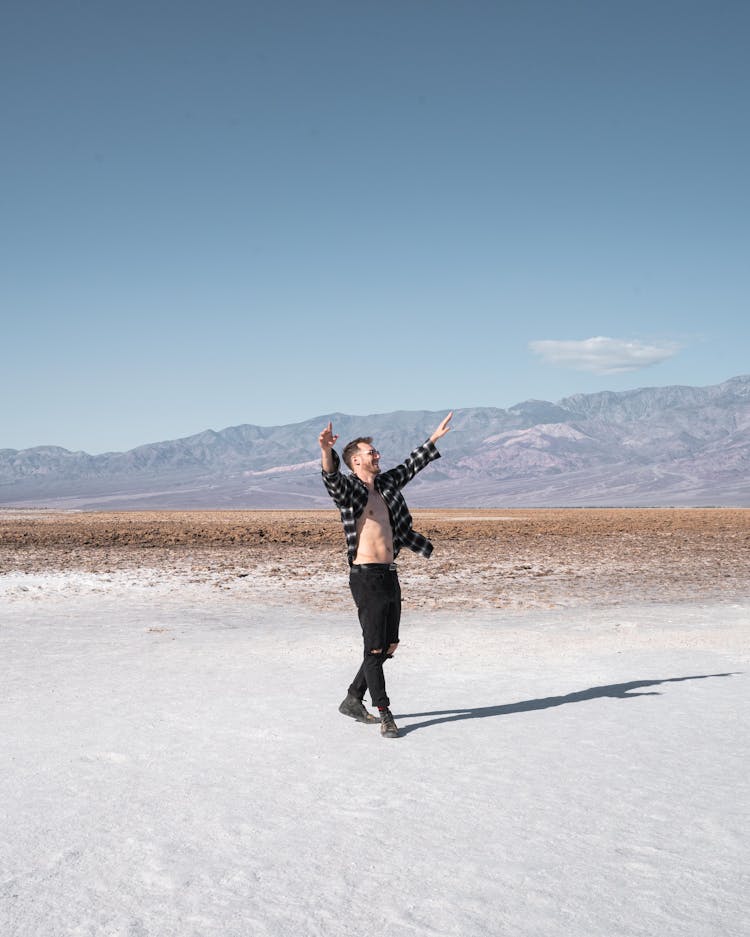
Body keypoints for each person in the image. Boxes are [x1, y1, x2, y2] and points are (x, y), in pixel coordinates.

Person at [319, 412, 453, 738]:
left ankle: (353, 698)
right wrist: (325, 451)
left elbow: (410, 466)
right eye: (370, 452)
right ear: (355, 461)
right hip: (366, 577)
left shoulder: (386, 485)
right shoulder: (350, 491)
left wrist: (433, 439)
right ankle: (385, 714)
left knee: (389, 645)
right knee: (374, 650)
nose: (376, 455)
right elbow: (332, 480)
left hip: (389, 574)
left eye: (375, 452)